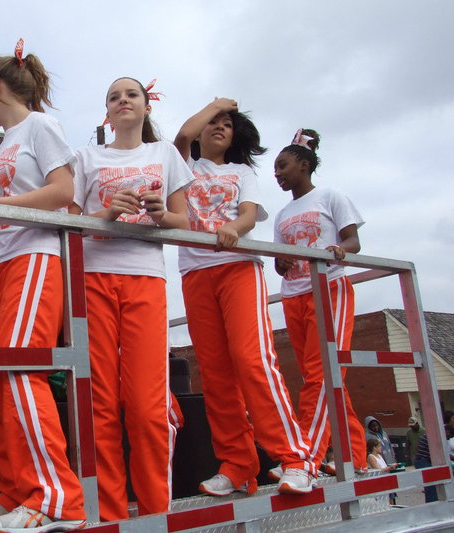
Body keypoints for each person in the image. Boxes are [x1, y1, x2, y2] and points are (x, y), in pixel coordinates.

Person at [0, 43, 86, 533]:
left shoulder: (40, 126)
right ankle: (14, 491)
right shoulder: (1, 144)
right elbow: (7, 199)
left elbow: (63, 192)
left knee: (19, 370)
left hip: (31, 256)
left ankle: (56, 498)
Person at [173, 98, 315, 495]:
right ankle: (238, 464)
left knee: (252, 360)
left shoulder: (242, 172)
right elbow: (183, 135)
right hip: (195, 272)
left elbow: (250, 215)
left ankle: (296, 458)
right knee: (215, 372)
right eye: (213, 122)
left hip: (238, 268)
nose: (220, 126)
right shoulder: (184, 165)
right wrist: (216, 104)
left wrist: (234, 226)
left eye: (228, 124)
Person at [68, 77, 189, 521]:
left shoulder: (165, 155)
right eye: (114, 96)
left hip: (144, 277)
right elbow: (73, 222)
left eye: (131, 95)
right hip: (94, 279)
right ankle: (111, 514)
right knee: (99, 402)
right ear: (106, 111)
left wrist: (161, 215)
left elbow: (186, 221)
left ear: (145, 107)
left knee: (145, 405)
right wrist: (108, 212)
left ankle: (157, 512)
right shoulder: (85, 157)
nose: (123, 101)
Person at [271, 129, 368, 476]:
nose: (278, 173)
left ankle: (306, 455)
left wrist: (340, 250)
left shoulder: (330, 197)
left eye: (283, 166)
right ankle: (355, 456)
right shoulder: (282, 214)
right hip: (294, 295)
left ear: (304, 164)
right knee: (327, 382)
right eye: (275, 169)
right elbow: (280, 260)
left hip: (329, 288)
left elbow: (353, 240)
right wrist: (280, 263)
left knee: (321, 375)